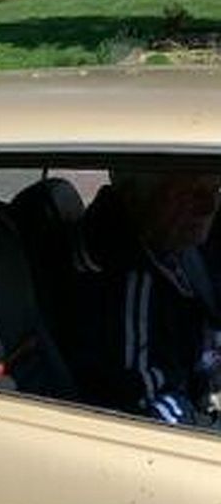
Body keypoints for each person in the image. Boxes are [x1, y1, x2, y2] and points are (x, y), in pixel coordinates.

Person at [64, 169, 221, 427]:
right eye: (191, 193)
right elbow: (147, 408)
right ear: (138, 197)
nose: (209, 207)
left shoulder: (170, 245)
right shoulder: (129, 282)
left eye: (216, 190)